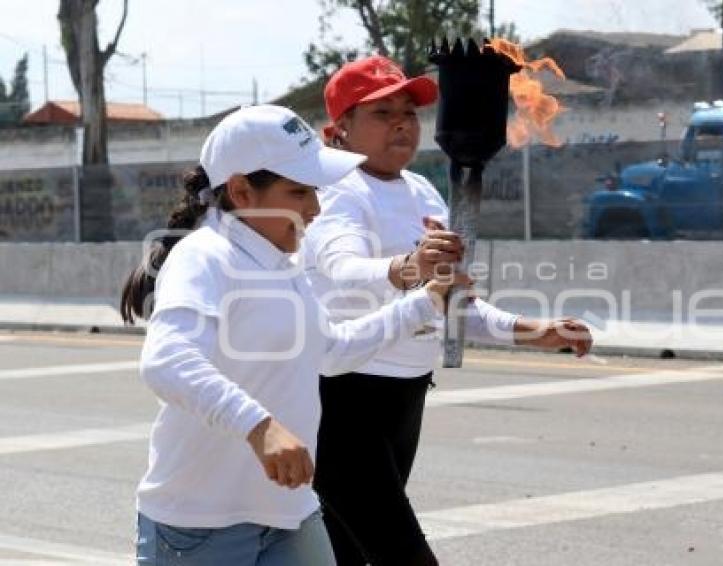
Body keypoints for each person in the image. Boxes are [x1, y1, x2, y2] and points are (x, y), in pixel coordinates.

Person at [120, 104, 467, 566]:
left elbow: (330, 351)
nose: (315, 208)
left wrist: (427, 301)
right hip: (201, 527)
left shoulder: (284, 263)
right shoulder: (204, 257)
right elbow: (167, 362)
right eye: (299, 191)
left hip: (292, 517)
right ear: (243, 191)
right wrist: (260, 428)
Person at [303, 56, 594, 566]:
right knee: (402, 554)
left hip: (404, 396)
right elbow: (343, 266)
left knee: (347, 552)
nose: (400, 121)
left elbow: (451, 302)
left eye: (409, 111)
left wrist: (531, 331)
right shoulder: (336, 194)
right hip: (344, 401)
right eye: (381, 112)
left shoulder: (421, 191)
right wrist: (407, 267)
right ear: (340, 130)